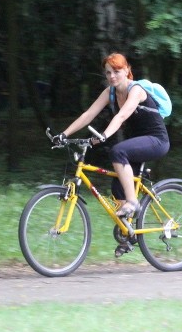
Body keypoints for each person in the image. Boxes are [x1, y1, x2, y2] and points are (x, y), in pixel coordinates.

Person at [53, 52, 170, 220]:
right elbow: (88, 115)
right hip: (137, 144)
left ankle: (133, 202)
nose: (112, 76)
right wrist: (64, 134)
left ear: (127, 70)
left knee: (118, 151)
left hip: (157, 141)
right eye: (108, 72)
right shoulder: (111, 92)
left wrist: (104, 135)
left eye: (117, 71)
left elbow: (121, 116)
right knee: (117, 186)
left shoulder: (136, 90)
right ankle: (127, 236)